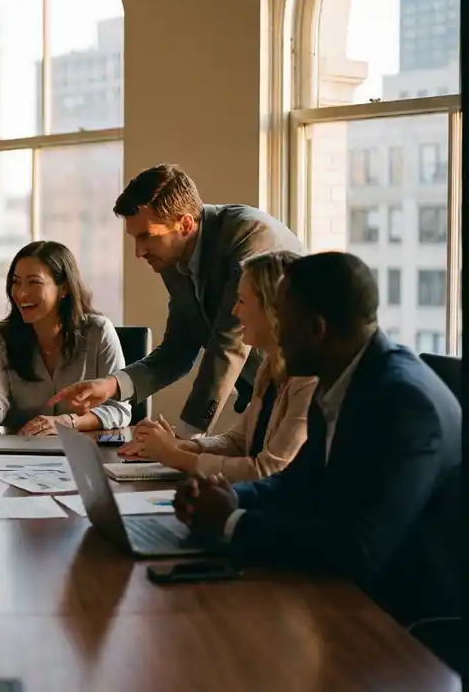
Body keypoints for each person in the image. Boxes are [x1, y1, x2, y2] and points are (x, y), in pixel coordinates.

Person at [173, 252, 461, 626]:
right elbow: (298, 485)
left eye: (284, 317)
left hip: (406, 624)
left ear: (316, 329)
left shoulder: (403, 402)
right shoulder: (339, 376)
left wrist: (232, 521)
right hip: (350, 596)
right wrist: (225, 497)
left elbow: (356, 550)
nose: (277, 330)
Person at [50, 164, 302, 437]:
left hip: (308, 395)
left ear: (185, 224)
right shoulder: (174, 260)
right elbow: (179, 349)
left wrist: (184, 438)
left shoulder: (249, 234)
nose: (139, 252)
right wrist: (111, 385)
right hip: (267, 400)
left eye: (147, 236)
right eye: (135, 238)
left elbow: (229, 344)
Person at [122, 250, 316, 482]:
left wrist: (175, 456)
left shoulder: (309, 381)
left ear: (273, 308)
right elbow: (236, 442)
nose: (234, 311)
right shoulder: (269, 366)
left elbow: (268, 471)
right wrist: (178, 444)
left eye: (242, 301)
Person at [0, 241, 131, 435]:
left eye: (34, 282)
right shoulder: (0, 338)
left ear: (63, 288)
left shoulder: (99, 332)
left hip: (84, 452)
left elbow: (120, 410)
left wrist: (67, 422)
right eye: (16, 282)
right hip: (22, 454)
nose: (21, 293)